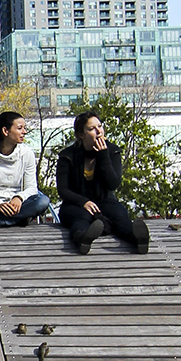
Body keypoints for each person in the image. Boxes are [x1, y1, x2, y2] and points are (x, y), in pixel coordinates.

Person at [55, 109, 149, 255]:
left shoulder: (112, 151)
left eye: (100, 126)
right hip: (76, 204)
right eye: (92, 129)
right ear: (81, 134)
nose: (99, 131)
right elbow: (63, 190)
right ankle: (82, 240)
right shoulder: (67, 156)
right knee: (82, 218)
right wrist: (83, 202)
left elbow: (113, 184)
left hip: (105, 201)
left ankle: (138, 239)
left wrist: (103, 156)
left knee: (119, 215)